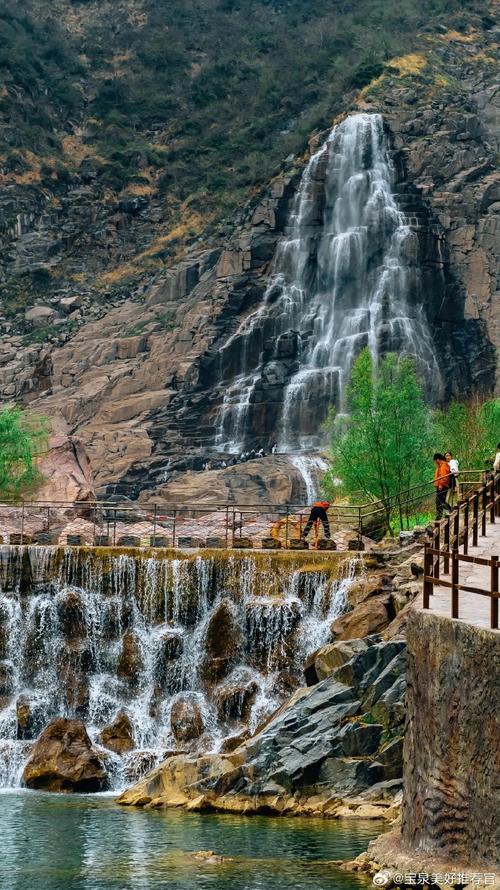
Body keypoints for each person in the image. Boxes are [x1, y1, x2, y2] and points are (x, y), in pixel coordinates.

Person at [434, 453, 451, 519]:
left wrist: (440, 485)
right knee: (439, 502)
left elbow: (444, 477)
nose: (435, 462)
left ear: (438, 459)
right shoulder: (441, 465)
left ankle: (449, 510)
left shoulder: (443, 466)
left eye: (435, 461)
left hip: (442, 486)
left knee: (440, 501)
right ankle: (439, 516)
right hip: (440, 486)